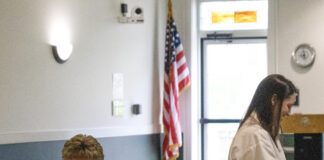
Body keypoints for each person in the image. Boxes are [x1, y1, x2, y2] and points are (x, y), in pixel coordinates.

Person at [228, 74, 297, 160]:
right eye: (288, 106)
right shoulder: (255, 135)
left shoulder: (262, 131)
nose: (289, 113)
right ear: (274, 100)